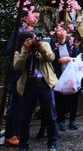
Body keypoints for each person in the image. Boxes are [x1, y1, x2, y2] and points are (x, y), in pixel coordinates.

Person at [14, 31, 59, 151]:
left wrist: (40, 46)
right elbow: (17, 66)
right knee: (25, 117)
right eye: (29, 39)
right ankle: (23, 145)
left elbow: (51, 57)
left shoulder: (44, 45)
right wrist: (25, 49)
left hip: (44, 83)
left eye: (33, 38)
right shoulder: (20, 50)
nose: (32, 40)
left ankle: (52, 142)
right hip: (28, 85)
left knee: (51, 115)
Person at [3, 14, 40, 148]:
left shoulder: (34, 33)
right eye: (34, 16)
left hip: (31, 72)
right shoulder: (18, 32)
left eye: (38, 17)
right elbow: (9, 50)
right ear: (24, 18)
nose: (36, 19)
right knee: (16, 102)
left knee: (25, 104)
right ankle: (10, 134)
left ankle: (19, 132)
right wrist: (23, 49)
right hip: (18, 71)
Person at [52, 25, 81, 131]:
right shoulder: (53, 46)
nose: (62, 32)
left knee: (74, 99)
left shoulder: (72, 44)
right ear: (55, 34)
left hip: (72, 75)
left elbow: (78, 59)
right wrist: (58, 61)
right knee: (60, 100)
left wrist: (69, 59)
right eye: (58, 30)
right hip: (59, 75)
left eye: (63, 30)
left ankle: (72, 120)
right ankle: (60, 121)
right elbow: (50, 59)